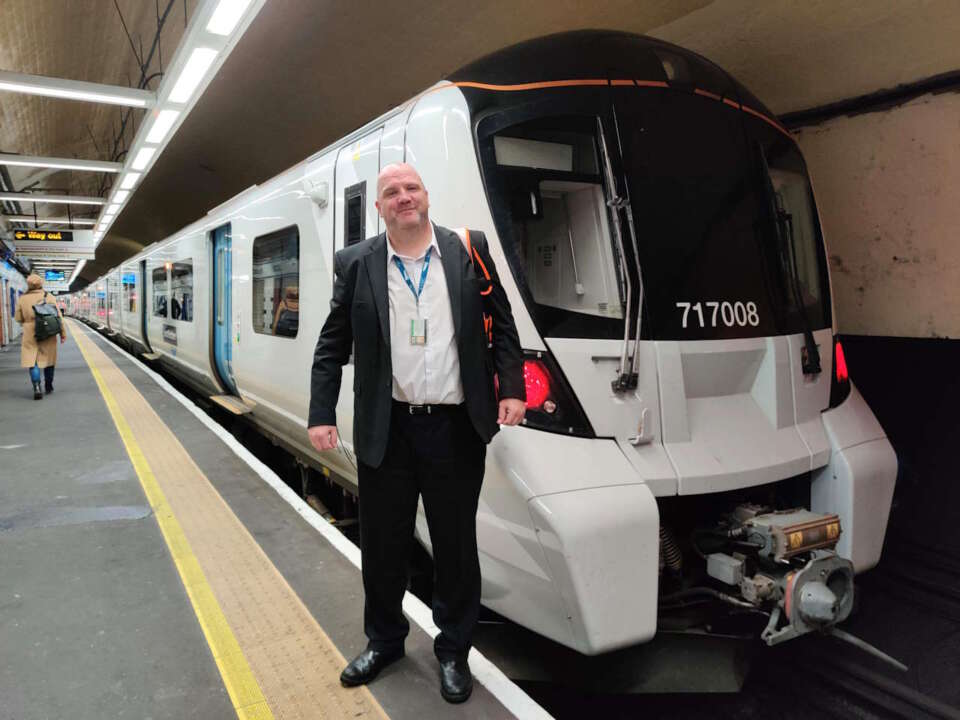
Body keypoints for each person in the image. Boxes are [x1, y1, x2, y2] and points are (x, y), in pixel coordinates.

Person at [308, 163, 526, 703]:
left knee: (455, 546)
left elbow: (503, 327)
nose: (403, 198)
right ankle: (384, 642)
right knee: (382, 545)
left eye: (411, 188)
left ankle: (454, 652)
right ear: (379, 208)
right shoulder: (356, 264)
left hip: (455, 428)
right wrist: (321, 413)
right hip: (390, 429)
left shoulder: (466, 251)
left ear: (426, 196)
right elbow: (331, 345)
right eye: (391, 193)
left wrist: (513, 388)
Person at [14, 274, 66, 399]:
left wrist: (28, 321)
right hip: (47, 330)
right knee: (49, 360)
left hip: (30, 333)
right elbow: (58, 317)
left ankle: (37, 387)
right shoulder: (49, 297)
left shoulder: (22, 299)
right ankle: (48, 385)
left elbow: (18, 318)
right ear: (41, 284)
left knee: (33, 361)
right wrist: (62, 334)